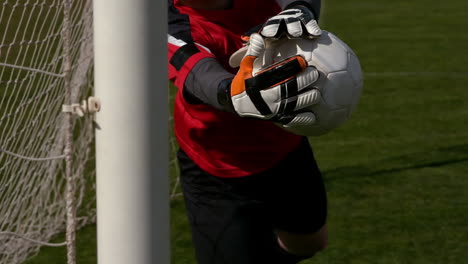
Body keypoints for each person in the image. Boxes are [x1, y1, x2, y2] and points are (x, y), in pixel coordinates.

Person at [168, 0, 327, 263]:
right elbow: (202, 75)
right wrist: (233, 93)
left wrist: (302, 8)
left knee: (309, 242)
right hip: (216, 166)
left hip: (284, 146)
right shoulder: (169, 20)